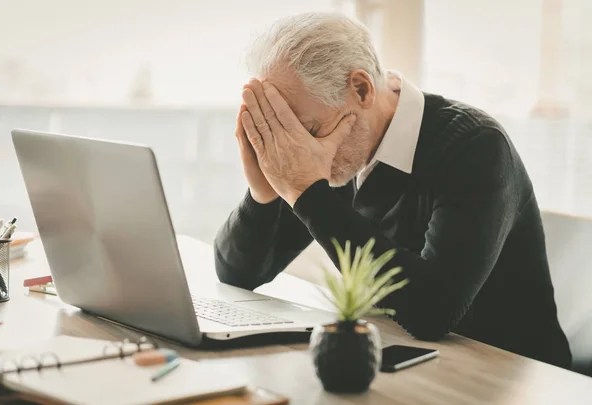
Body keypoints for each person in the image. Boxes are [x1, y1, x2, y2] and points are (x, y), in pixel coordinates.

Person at [213, 12, 571, 368]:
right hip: (409, 361)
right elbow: (238, 274)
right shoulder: (338, 147)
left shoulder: (477, 147)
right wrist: (262, 194)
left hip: (514, 375)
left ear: (361, 89)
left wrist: (307, 192)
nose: (296, 149)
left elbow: (432, 311)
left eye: (306, 129)